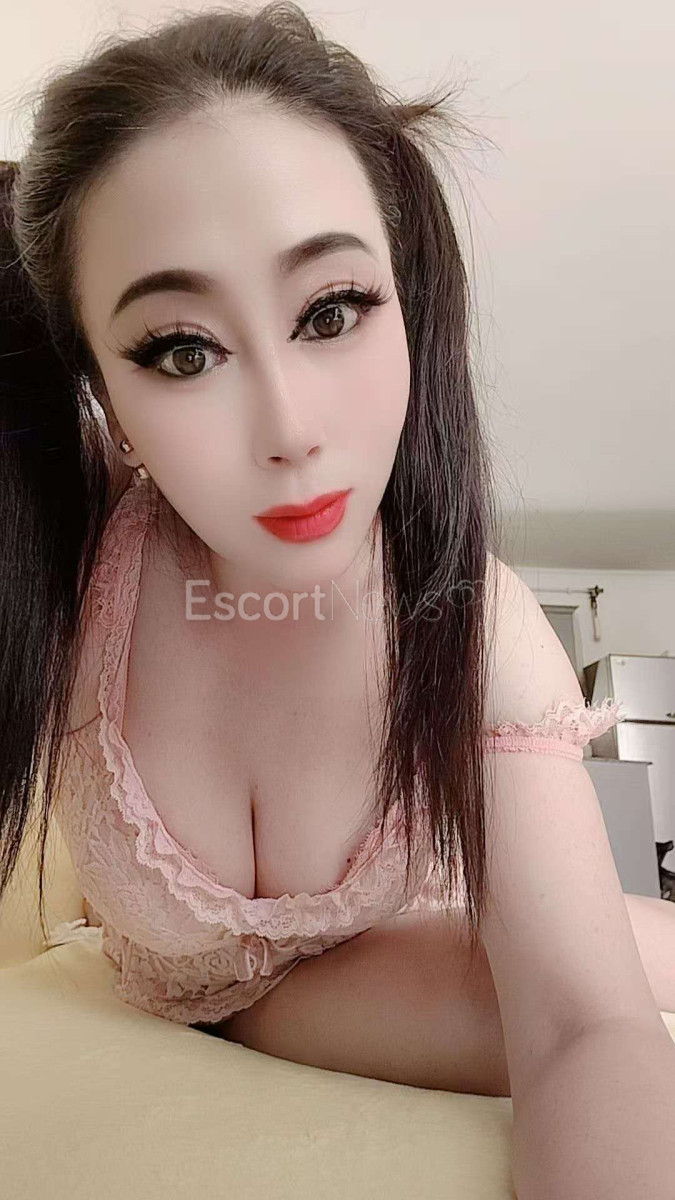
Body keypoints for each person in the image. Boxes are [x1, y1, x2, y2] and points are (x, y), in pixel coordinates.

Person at [1, 5, 674, 1192]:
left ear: (408, 300)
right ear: (98, 381)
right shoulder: (68, 556)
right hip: (268, 1001)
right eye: (181, 349)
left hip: (419, 943)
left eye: (331, 311)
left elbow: (584, 1028)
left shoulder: (473, 627)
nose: (292, 432)